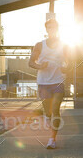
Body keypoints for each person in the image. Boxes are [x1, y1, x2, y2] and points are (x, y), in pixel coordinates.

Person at [29, 19, 70, 149]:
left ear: (57, 28)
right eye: (49, 27)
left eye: (54, 27)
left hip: (58, 81)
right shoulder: (39, 45)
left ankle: (52, 139)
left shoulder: (64, 45)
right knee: (48, 112)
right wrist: (40, 65)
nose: (52, 30)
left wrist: (66, 68)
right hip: (43, 82)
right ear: (46, 29)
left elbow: (70, 62)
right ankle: (47, 117)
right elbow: (31, 62)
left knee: (56, 109)